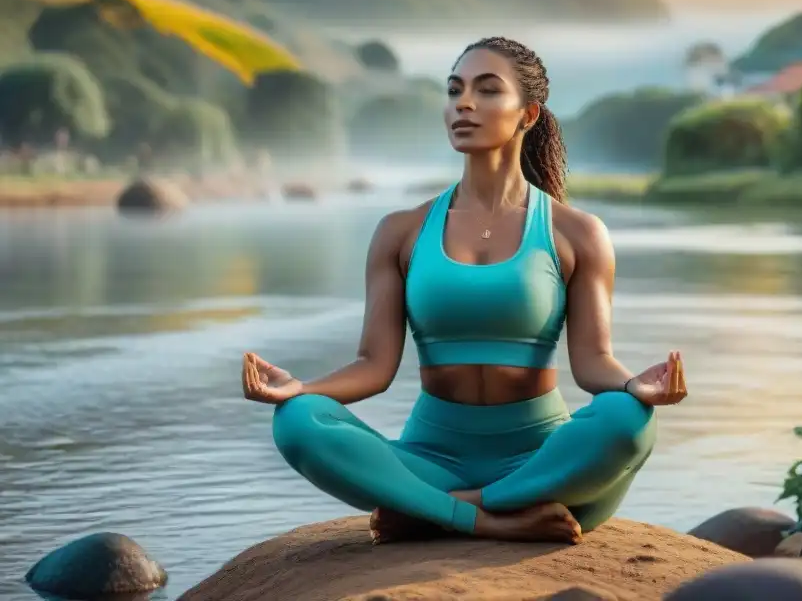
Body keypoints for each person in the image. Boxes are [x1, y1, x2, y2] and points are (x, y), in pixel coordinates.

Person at [241, 36, 688, 545]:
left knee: (629, 419)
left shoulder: (577, 232)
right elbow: (374, 365)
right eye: (454, 91)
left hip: (544, 466)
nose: (464, 104)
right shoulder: (401, 230)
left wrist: (637, 386)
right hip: (432, 461)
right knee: (297, 421)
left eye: (487, 90)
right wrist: (299, 389)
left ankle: (439, 512)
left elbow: (593, 363)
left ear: (529, 115)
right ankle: (491, 519)